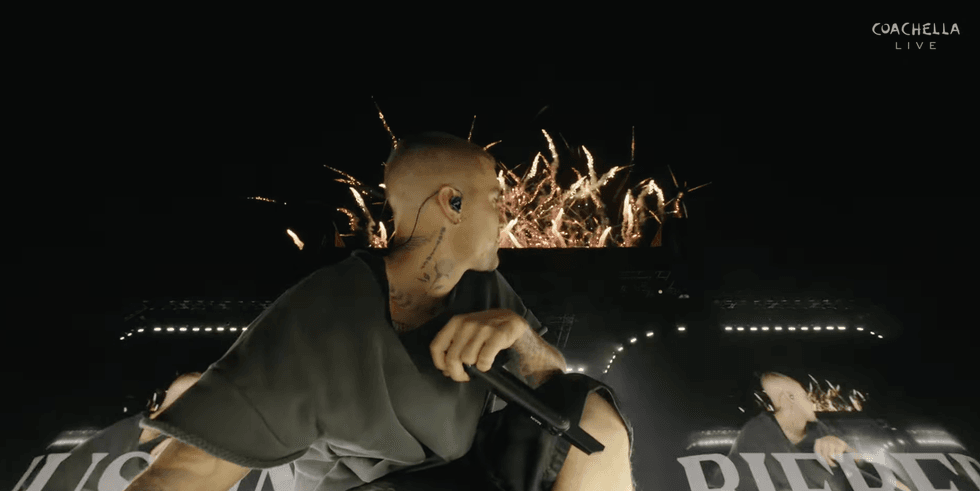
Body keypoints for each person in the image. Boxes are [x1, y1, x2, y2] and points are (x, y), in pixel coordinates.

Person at [125, 132, 635, 491]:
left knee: (593, 418)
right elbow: (185, 475)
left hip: (467, 474)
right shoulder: (321, 318)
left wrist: (520, 335)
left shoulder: (483, 289)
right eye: (494, 200)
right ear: (453, 203)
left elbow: (553, 382)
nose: (504, 216)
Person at [724, 372, 909, 491]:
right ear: (788, 399)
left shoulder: (819, 429)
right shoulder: (756, 436)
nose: (812, 403)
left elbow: (861, 468)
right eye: (805, 397)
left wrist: (842, 447)